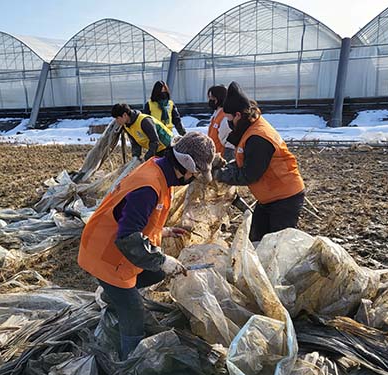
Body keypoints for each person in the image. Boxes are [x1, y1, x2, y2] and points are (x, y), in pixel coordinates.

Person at [77, 132, 216, 360]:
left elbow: (131, 217)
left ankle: (115, 299)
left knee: (154, 273)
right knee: (134, 312)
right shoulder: (149, 186)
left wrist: (163, 231)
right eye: (196, 173)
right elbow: (127, 236)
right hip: (105, 255)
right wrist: (163, 259)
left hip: (117, 247)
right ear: (186, 166)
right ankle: (130, 363)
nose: (194, 178)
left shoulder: (159, 171)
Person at [213, 81, 305, 243]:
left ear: (238, 115)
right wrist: (225, 168)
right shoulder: (249, 128)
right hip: (269, 197)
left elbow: (250, 174)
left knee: (277, 247)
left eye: (229, 119)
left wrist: (218, 175)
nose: (228, 123)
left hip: (284, 198)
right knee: (256, 241)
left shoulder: (258, 137)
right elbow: (244, 162)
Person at [207, 84, 235, 161]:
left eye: (212, 98)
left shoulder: (225, 116)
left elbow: (228, 143)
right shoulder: (216, 114)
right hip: (214, 156)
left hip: (221, 158)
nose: (210, 100)